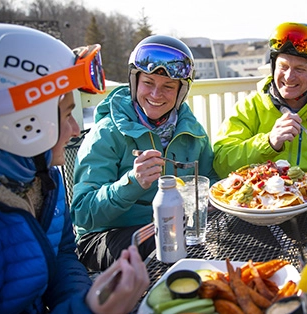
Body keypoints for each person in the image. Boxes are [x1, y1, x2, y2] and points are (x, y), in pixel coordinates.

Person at [0, 23, 149, 314]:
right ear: (22, 123)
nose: (75, 129)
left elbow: (62, 254)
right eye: (64, 114)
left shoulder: (43, 177)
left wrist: (87, 299)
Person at [71, 35, 219, 271]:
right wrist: (131, 182)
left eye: (168, 86)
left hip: (172, 226)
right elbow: (82, 213)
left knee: (224, 234)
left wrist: (215, 197)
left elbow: (209, 181)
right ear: (135, 82)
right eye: (148, 83)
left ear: (181, 92)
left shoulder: (192, 132)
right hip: (104, 236)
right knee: (169, 244)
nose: (156, 94)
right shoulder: (107, 132)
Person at [212, 22, 307, 178]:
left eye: (300, 69)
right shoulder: (249, 108)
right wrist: (269, 142)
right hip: (260, 198)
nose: (289, 77)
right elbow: (221, 163)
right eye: (283, 66)